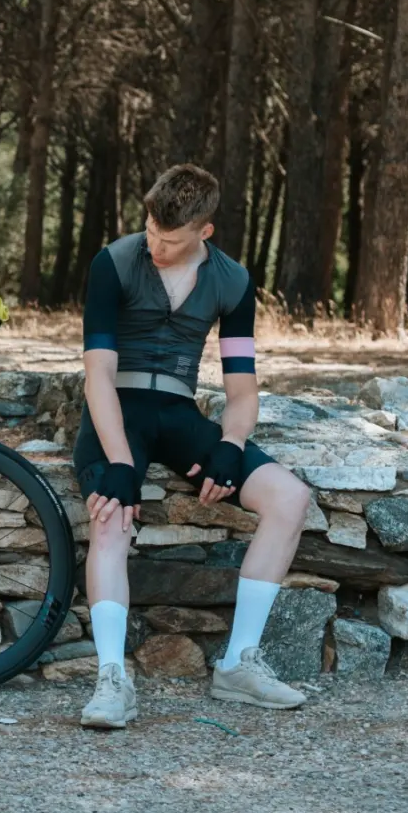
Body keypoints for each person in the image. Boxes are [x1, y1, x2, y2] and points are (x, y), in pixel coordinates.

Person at [74, 163, 313, 729]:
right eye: (152, 230)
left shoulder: (232, 281)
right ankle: (112, 681)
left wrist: (232, 444)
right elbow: (98, 376)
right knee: (111, 515)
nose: (155, 245)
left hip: (180, 414)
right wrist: (119, 461)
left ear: (205, 232)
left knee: (289, 498)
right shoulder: (113, 262)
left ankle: (238, 665)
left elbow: (242, 387)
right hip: (117, 411)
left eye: (171, 239)